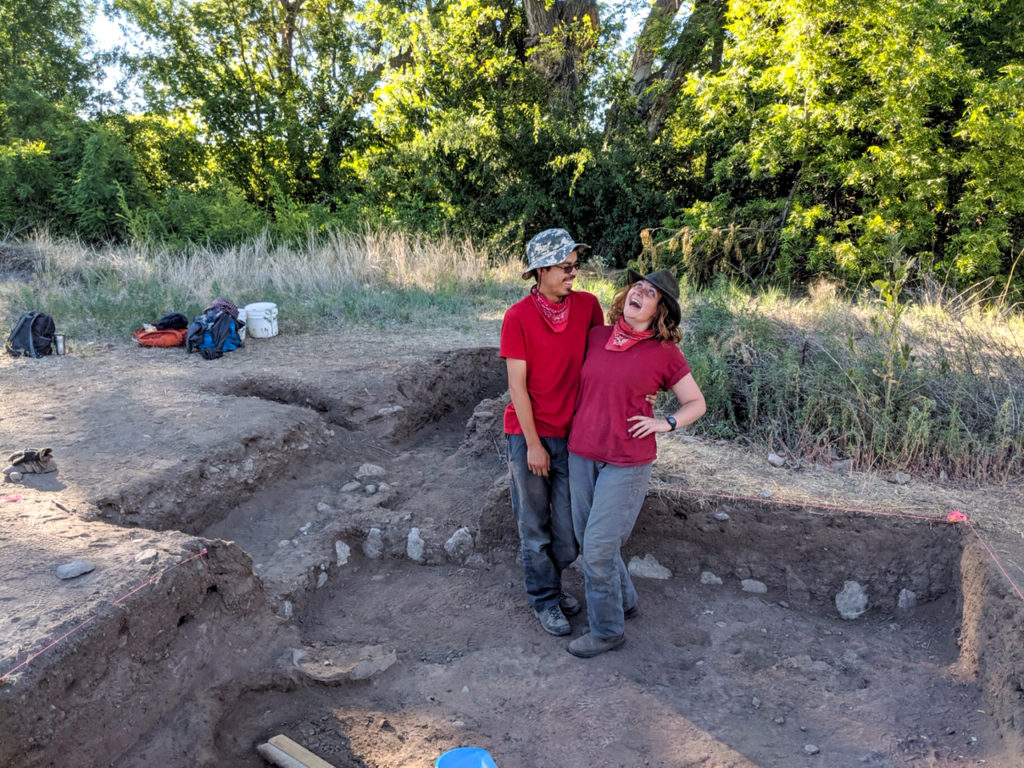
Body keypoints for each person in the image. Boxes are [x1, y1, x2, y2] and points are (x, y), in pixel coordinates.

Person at [566, 268, 706, 658]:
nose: (639, 294)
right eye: (638, 287)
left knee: (597, 548)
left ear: (660, 311)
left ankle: (608, 630)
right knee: (590, 541)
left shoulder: (664, 353)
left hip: (626, 462)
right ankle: (624, 601)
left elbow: (697, 403)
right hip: (581, 453)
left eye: (650, 294)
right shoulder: (596, 336)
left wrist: (666, 423)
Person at [500, 228, 605, 636]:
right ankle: (545, 600)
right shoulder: (517, 318)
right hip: (530, 435)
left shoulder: (588, 307)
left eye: (575, 265)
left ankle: (553, 584)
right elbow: (517, 386)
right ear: (541, 269)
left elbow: (604, 360)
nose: (573, 272)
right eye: (565, 265)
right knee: (534, 527)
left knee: (568, 532)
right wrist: (532, 445)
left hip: (575, 437)